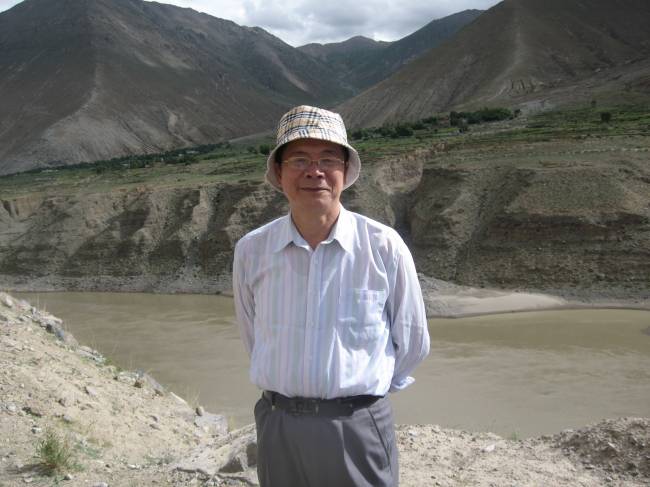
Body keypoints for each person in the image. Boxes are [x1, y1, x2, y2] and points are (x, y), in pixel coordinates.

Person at [232, 105, 430, 487]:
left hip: (357, 429)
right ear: (279, 172)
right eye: (299, 160)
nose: (315, 171)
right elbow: (253, 336)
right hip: (278, 427)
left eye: (327, 159)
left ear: (345, 170)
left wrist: (360, 397)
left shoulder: (383, 247)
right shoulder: (252, 250)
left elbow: (413, 342)